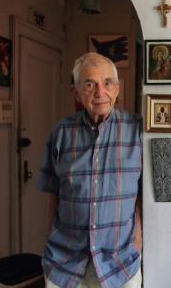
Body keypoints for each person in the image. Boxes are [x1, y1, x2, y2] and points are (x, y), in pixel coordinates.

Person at [37, 52, 143, 288]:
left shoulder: (137, 131)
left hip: (121, 262)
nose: (99, 92)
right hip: (65, 262)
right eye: (89, 84)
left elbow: (145, 191)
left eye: (107, 83)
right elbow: (52, 191)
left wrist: (139, 237)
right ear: (76, 92)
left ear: (117, 89)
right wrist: (48, 236)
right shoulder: (60, 133)